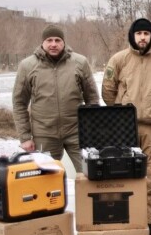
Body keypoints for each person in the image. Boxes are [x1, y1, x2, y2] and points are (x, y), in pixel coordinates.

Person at [102, 18, 151, 230]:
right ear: (132, 35)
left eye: (146, 34)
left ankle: (150, 223)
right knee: (124, 176)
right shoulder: (118, 59)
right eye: (139, 33)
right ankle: (126, 221)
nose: (142, 37)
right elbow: (108, 91)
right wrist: (121, 113)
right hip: (124, 128)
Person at [12, 24, 99, 172]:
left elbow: (92, 99)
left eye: (58, 40)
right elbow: (19, 103)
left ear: (64, 42)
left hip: (77, 131)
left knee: (89, 173)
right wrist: (25, 137)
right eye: (49, 40)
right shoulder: (27, 66)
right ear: (42, 42)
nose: (53, 44)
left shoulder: (80, 62)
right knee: (45, 177)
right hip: (44, 133)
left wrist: (92, 130)